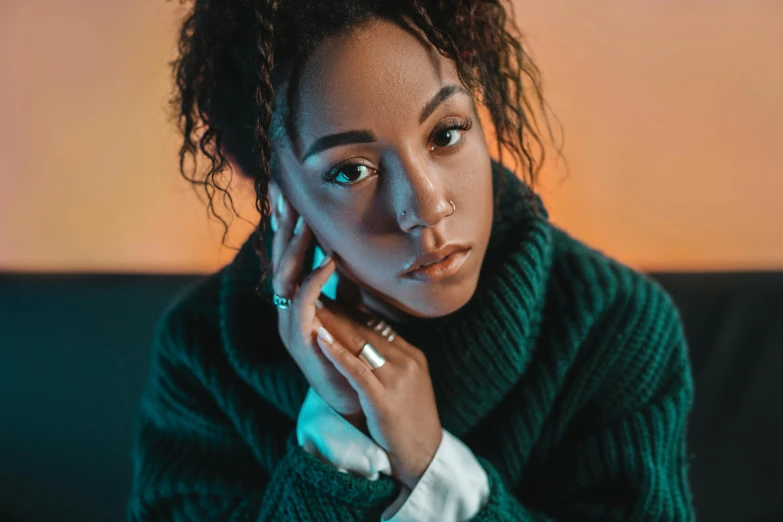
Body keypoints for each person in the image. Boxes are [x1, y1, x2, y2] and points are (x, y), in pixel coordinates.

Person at [127, 0, 696, 520]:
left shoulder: (617, 328)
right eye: (351, 171)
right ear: (278, 194)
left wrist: (429, 461)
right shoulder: (202, 351)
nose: (428, 206)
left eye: (446, 133)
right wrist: (338, 437)